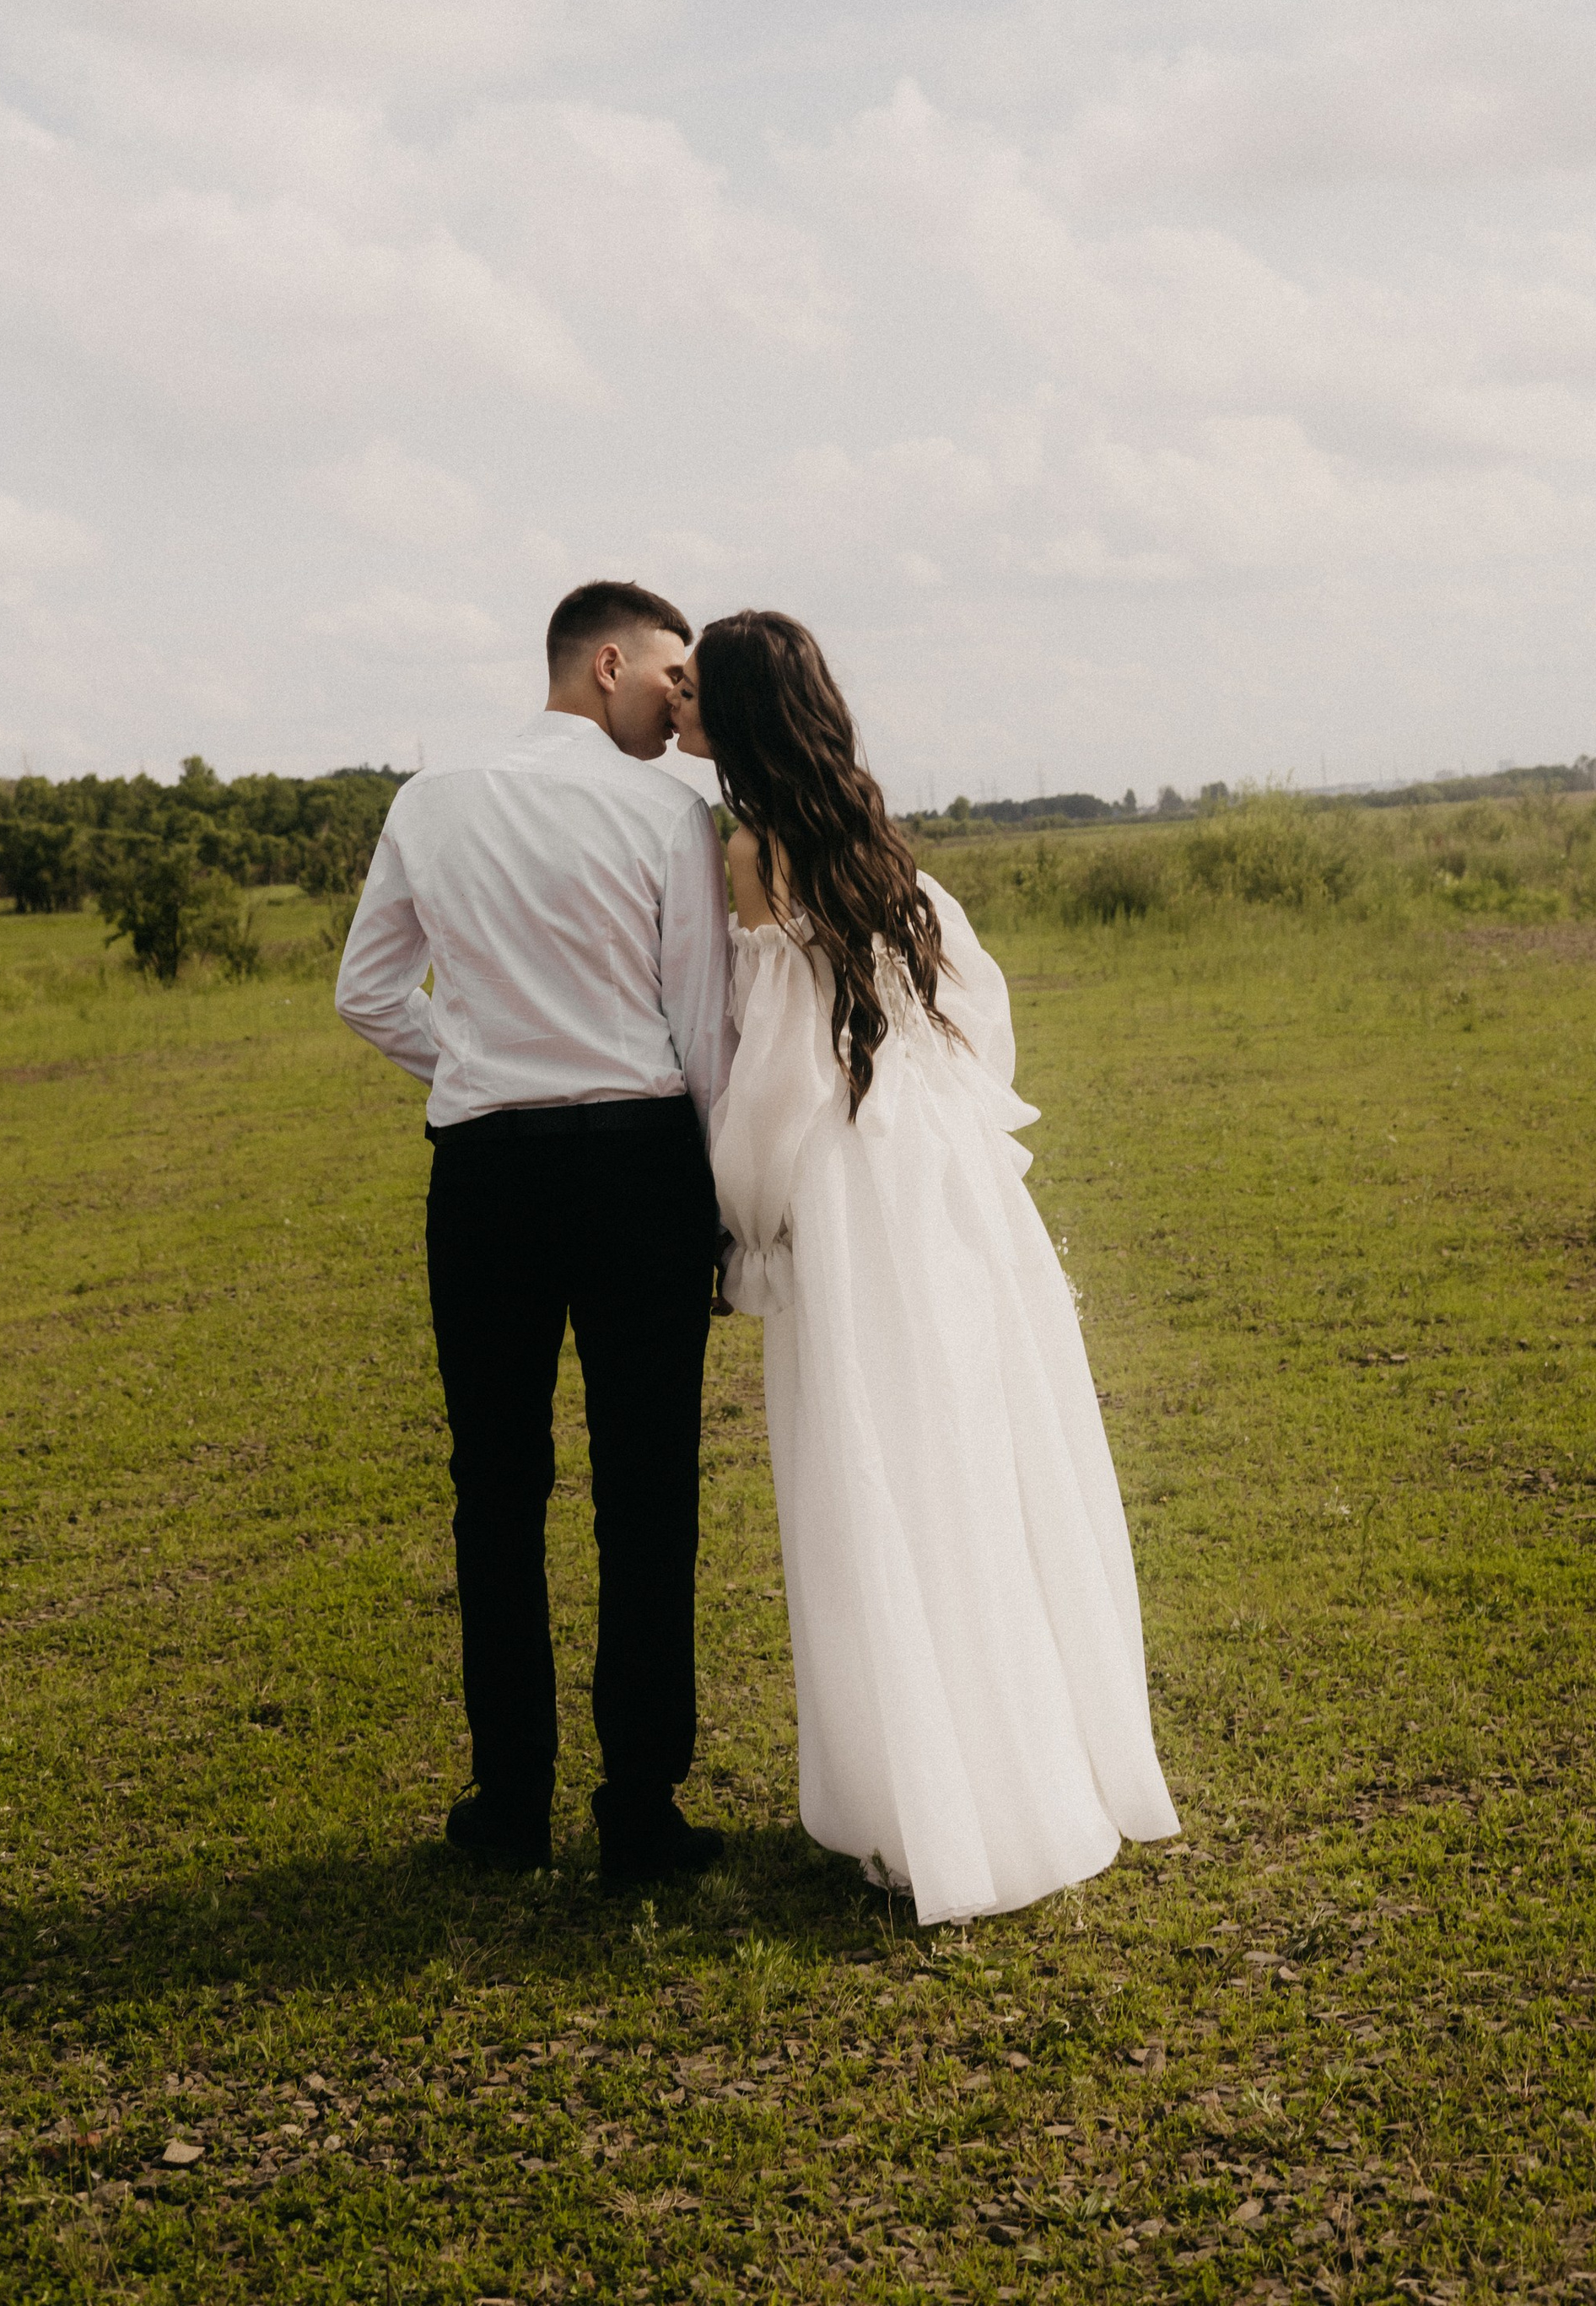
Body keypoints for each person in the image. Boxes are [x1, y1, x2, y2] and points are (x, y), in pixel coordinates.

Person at [672, 608, 1178, 1923]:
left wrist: (746, 1214)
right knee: (972, 1450)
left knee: (876, 1466)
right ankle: (1021, 1761)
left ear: (729, 712)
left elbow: (778, 1069)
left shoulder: (753, 851)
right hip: (946, 1178)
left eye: (691, 693)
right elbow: (979, 1009)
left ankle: (931, 1792)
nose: (676, 710)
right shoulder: (872, 840)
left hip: (851, 1194)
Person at [336, 579, 736, 1887]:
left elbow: (367, 993)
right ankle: (639, 1809)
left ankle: (508, 1801)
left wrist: (479, 1064)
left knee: (495, 1488)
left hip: (486, 1175)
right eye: (672, 677)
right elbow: (701, 1030)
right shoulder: (671, 811)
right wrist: (723, 1201)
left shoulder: (429, 798)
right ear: (608, 662)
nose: (683, 703)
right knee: (647, 1489)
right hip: (640, 1163)